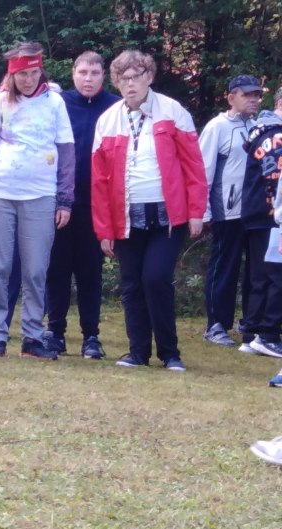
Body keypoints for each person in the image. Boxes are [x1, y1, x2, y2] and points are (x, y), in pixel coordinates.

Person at [92, 50, 207, 371]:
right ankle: (138, 352)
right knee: (130, 283)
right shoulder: (107, 120)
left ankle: (170, 353)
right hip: (124, 216)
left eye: (136, 77)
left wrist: (198, 211)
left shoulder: (173, 111)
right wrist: (103, 230)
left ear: (149, 77)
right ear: (116, 82)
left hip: (169, 216)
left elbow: (194, 166)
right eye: (124, 79)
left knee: (156, 278)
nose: (130, 84)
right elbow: (99, 181)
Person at [0, 41, 73, 360]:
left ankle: (32, 338)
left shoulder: (55, 102)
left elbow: (67, 152)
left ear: (41, 70)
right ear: (11, 75)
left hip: (41, 196)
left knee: (36, 270)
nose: (28, 79)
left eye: (34, 72)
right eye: (22, 74)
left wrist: (65, 199)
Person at [43, 51, 119, 359]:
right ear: (73, 73)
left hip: (97, 205)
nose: (88, 78)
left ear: (104, 76)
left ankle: (91, 337)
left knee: (91, 273)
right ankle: (55, 332)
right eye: (83, 72)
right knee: (56, 270)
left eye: (95, 73)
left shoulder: (115, 107)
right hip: (60, 202)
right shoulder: (58, 104)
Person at [200, 75, 262, 347]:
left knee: (256, 271)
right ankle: (216, 324)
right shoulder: (217, 127)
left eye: (257, 95)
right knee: (224, 268)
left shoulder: (259, 126)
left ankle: (251, 322)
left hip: (256, 210)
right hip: (227, 211)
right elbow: (203, 171)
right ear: (231, 97)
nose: (253, 99)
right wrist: (202, 213)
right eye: (247, 94)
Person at [241, 90, 282, 372]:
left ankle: (252, 332)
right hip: (270, 215)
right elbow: (274, 175)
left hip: (264, 214)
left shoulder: (265, 130)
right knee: (273, 276)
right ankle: (266, 334)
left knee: (263, 275)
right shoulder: (274, 135)